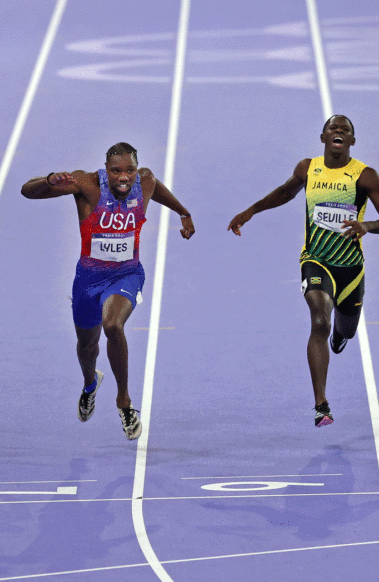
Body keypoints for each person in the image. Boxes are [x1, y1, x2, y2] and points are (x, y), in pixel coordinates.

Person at [21, 142, 194, 440]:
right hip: (88, 281)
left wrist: (183, 212)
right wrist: (49, 180)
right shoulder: (85, 184)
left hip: (127, 274)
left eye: (129, 170)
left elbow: (158, 188)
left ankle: (124, 401)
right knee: (87, 345)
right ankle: (90, 384)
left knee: (113, 324)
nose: (124, 177)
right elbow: (27, 190)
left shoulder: (146, 181)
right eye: (116, 171)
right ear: (106, 170)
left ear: (136, 170)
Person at [228, 115, 379, 427]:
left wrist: (366, 225)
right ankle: (321, 404)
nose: (339, 132)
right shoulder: (308, 169)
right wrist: (250, 211)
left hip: (350, 268)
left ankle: (342, 332)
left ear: (352, 141)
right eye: (334, 128)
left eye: (345, 130)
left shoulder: (364, 176)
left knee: (345, 329)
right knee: (319, 319)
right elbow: (286, 192)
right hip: (316, 260)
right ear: (323, 137)